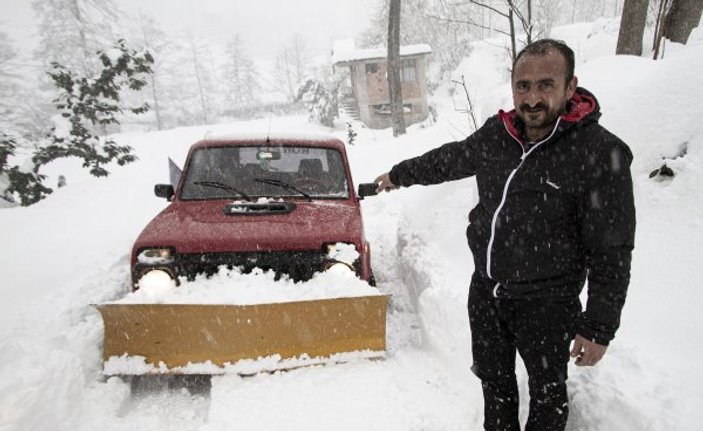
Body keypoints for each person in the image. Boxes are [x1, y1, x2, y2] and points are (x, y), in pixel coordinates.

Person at [374, 39, 635, 431]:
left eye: (546, 85)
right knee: (494, 384)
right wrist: (400, 174)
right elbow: (451, 158)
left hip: (548, 304)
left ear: (570, 86)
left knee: (547, 395)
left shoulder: (598, 153)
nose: (532, 98)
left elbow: (611, 249)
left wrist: (599, 326)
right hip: (487, 293)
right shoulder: (500, 133)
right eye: (522, 86)